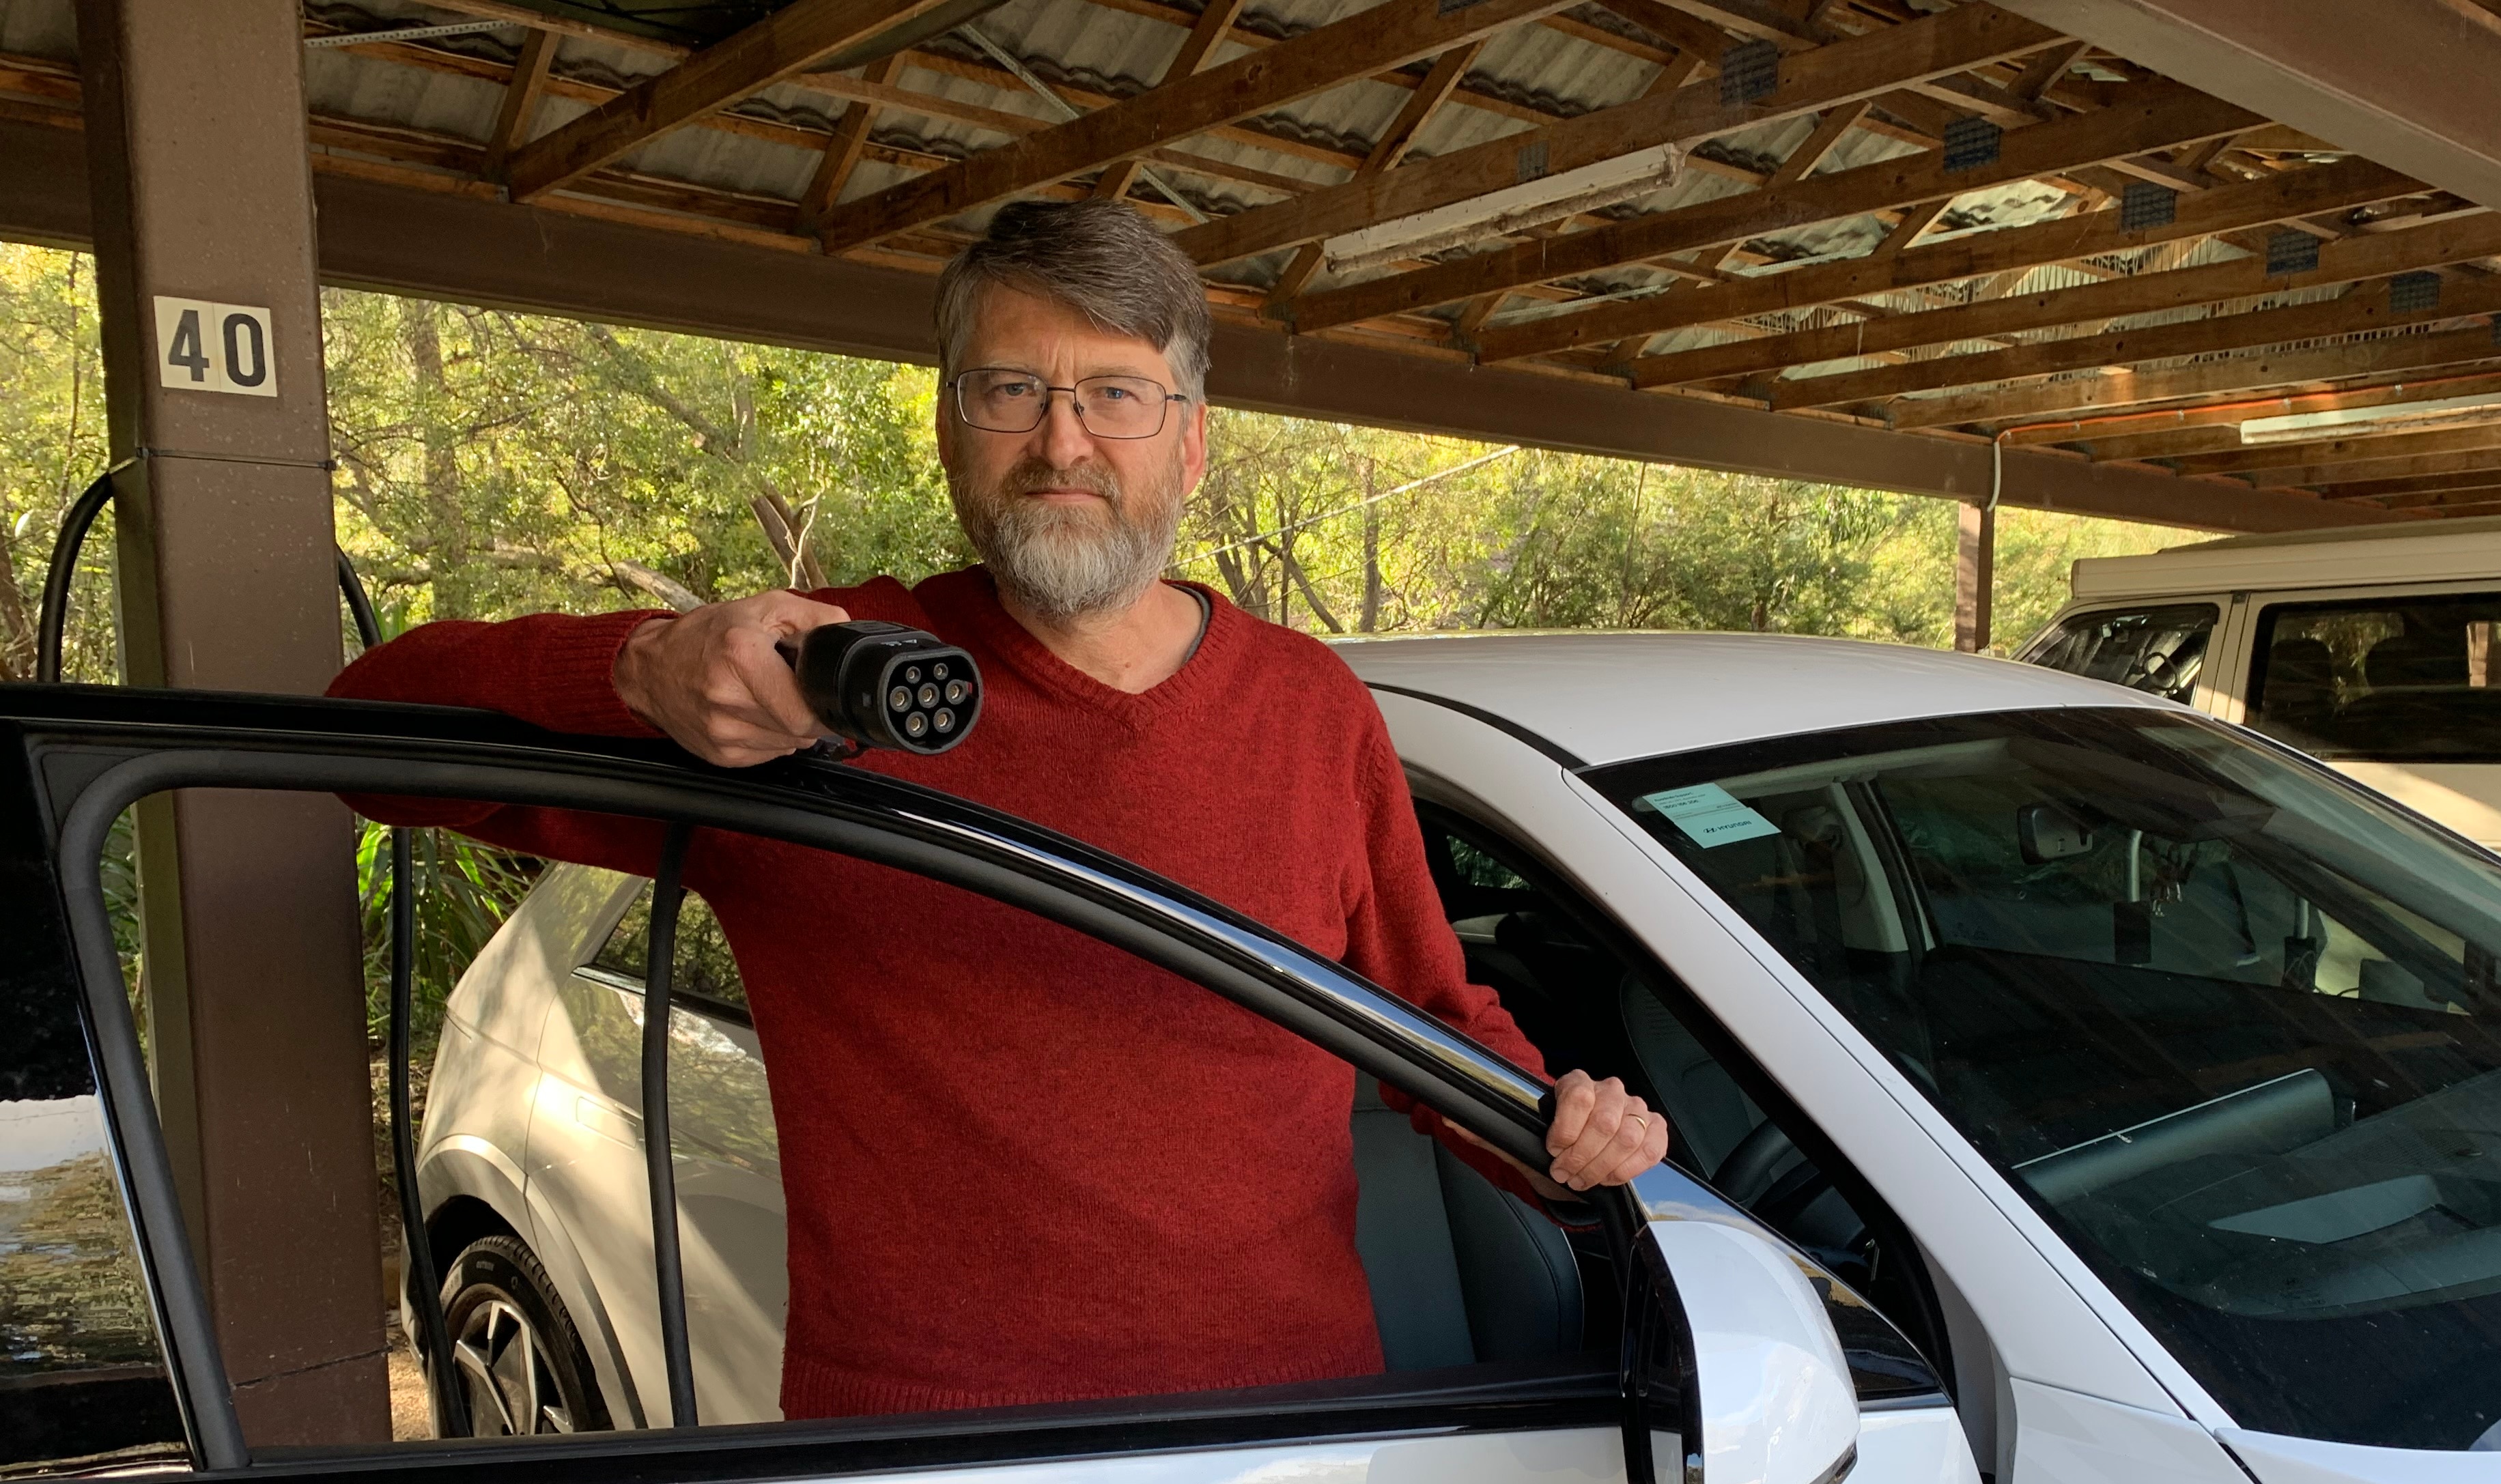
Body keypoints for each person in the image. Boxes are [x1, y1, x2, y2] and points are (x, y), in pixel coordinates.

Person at [332, 198, 1667, 1421]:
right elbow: (367, 734)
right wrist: (643, 668)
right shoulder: (814, 677)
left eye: (1116, 395)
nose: (1063, 441)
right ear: (948, 427)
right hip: (928, 1461)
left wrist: (1558, 1132)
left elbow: (1431, 1026)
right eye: (1011, 389)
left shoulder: (1311, 708)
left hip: (1286, 1439)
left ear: (1193, 442)